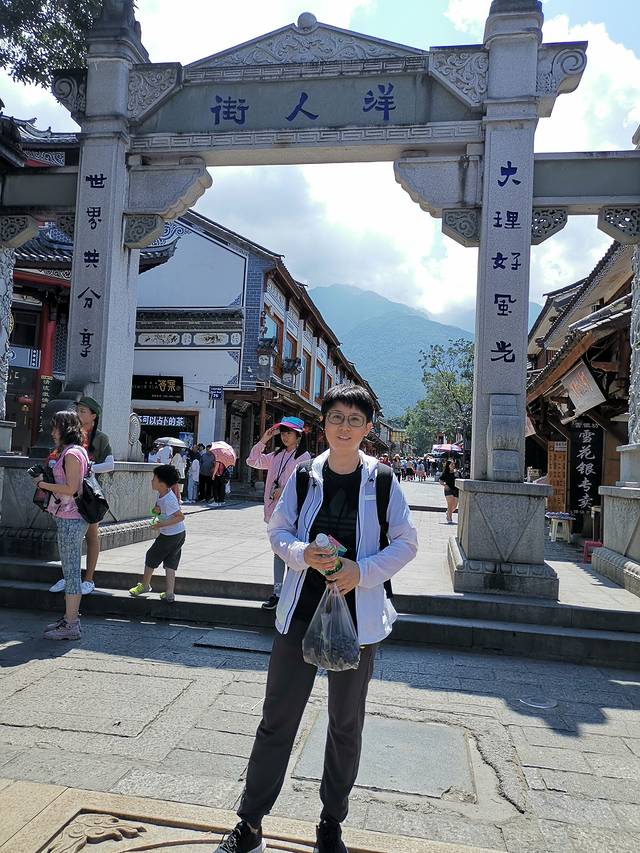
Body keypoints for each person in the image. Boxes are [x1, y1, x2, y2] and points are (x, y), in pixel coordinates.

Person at [216, 384, 417, 853]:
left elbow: (407, 542)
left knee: (345, 724)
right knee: (277, 718)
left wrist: (361, 571)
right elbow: (278, 531)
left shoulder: (382, 480)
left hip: (357, 620)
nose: (344, 427)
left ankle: (331, 824)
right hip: (301, 614)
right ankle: (250, 825)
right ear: (322, 424)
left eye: (354, 419)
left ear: (367, 428)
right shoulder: (305, 475)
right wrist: (301, 553)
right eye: (336, 418)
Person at [30, 411, 89, 640]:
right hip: (72, 517)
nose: (53, 432)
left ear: (66, 429)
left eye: (56, 427)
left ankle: (71, 625)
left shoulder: (71, 454)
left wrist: (42, 484)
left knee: (71, 573)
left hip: (70, 518)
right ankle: (69, 619)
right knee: (71, 570)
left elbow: (71, 489)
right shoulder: (77, 451)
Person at [47, 396, 114, 596]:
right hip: (66, 499)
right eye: (78, 410)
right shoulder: (69, 436)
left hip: (88, 495)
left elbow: (110, 464)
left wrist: (88, 468)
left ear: (94, 416)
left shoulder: (100, 438)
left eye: (83, 411)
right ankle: (69, 576)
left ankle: (88, 579)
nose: (78, 414)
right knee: (68, 541)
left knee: (91, 535)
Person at [246, 416, 311, 610]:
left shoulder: (304, 458)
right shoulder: (276, 455)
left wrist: (284, 490)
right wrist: (264, 439)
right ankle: (278, 592)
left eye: (289, 432)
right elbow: (252, 461)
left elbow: (306, 486)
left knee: (292, 553)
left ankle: (290, 593)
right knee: (278, 551)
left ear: (298, 435)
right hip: (274, 512)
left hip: (293, 514)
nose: (284, 436)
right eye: (282, 432)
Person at [129, 464, 186, 604]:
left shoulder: (169, 499)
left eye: (154, 479)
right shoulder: (164, 495)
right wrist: (157, 511)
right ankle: (170, 593)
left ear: (162, 483)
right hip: (178, 534)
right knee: (170, 562)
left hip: (170, 536)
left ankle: (145, 585)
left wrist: (161, 524)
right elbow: (165, 512)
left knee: (151, 556)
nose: (151, 481)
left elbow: (180, 517)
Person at [439, 458, 459, 524]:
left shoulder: (457, 472)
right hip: (448, 489)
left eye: (454, 464)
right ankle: (449, 518)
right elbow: (440, 480)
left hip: (456, 490)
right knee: (450, 504)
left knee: (455, 505)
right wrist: (445, 485)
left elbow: (461, 479)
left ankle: (448, 512)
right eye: (451, 464)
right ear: (448, 465)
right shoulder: (446, 473)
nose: (453, 465)